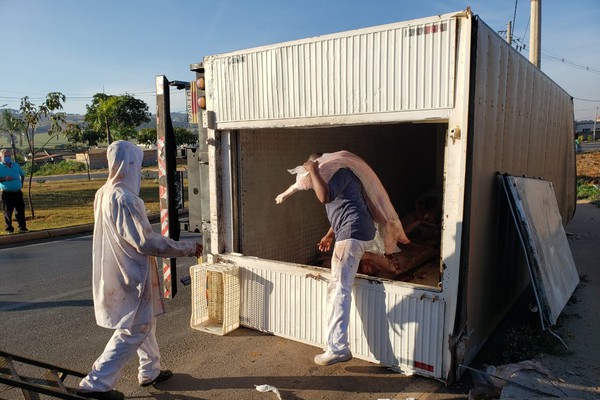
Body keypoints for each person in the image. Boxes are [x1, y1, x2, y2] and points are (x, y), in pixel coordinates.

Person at [77, 141, 202, 400]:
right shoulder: (124, 198)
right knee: (135, 328)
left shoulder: (104, 192)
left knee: (145, 322)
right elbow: (145, 242)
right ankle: (96, 384)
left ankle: (149, 371)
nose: (140, 169)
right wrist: (189, 248)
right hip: (130, 273)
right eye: (138, 163)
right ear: (129, 164)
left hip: (118, 268)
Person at [303, 154, 376, 366]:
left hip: (353, 231)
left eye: (318, 165)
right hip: (353, 230)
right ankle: (335, 344)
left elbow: (324, 197)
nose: (315, 170)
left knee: (338, 288)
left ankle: (338, 348)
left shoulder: (339, 173)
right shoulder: (338, 177)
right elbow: (344, 207)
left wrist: (313, 171)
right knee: (338, 285)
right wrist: (330, 234)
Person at [0, 149, 28, 233]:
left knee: (20, 210)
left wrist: (21, 184)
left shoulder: (15, 165)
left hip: (17, 192)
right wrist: (5, 178)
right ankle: (9, 228)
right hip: (6, 193)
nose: (8, 158)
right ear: (1, 157)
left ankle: (22, 227)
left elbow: (22, 175)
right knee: (8, 211)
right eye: (6, 156)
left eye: (9, 156)